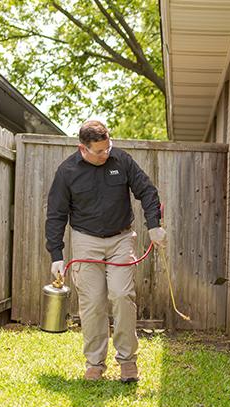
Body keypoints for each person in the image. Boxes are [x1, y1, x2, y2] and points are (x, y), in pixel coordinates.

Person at [45, 120, 167, 382]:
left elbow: (146, 191)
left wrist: (154, 226)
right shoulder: (67, 171)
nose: (106, 154)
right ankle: (95, 364)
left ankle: (127, 361)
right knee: (92, 303)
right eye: (99, 151)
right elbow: (55, 215)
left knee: (122, 295)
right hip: (85, 241)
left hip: (121, 239)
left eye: (108, 147)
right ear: (83, 149)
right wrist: (56, 254)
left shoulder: (121, 160)